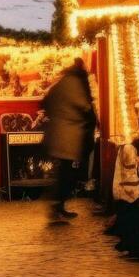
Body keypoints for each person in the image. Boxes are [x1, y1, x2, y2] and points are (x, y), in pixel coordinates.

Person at [41, 58, 96, 220]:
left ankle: (58, 205)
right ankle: (56, 203)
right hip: (69, 136)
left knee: (65, 171)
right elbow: (84, 105)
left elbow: (46, 102)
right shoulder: (75, 84)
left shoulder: (63, 81)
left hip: (59, 133)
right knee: (69, 172)